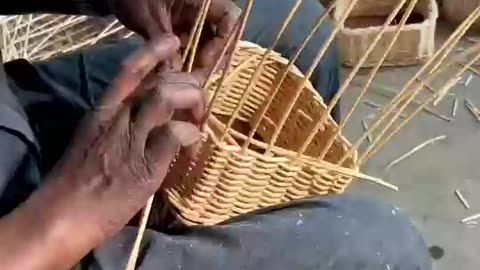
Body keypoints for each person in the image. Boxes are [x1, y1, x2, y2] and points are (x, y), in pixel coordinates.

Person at [0, 0, 431, 269]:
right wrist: (58, 224)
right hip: (30, 242)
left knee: (297, 31)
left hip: (14, 112)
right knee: (380, 244)